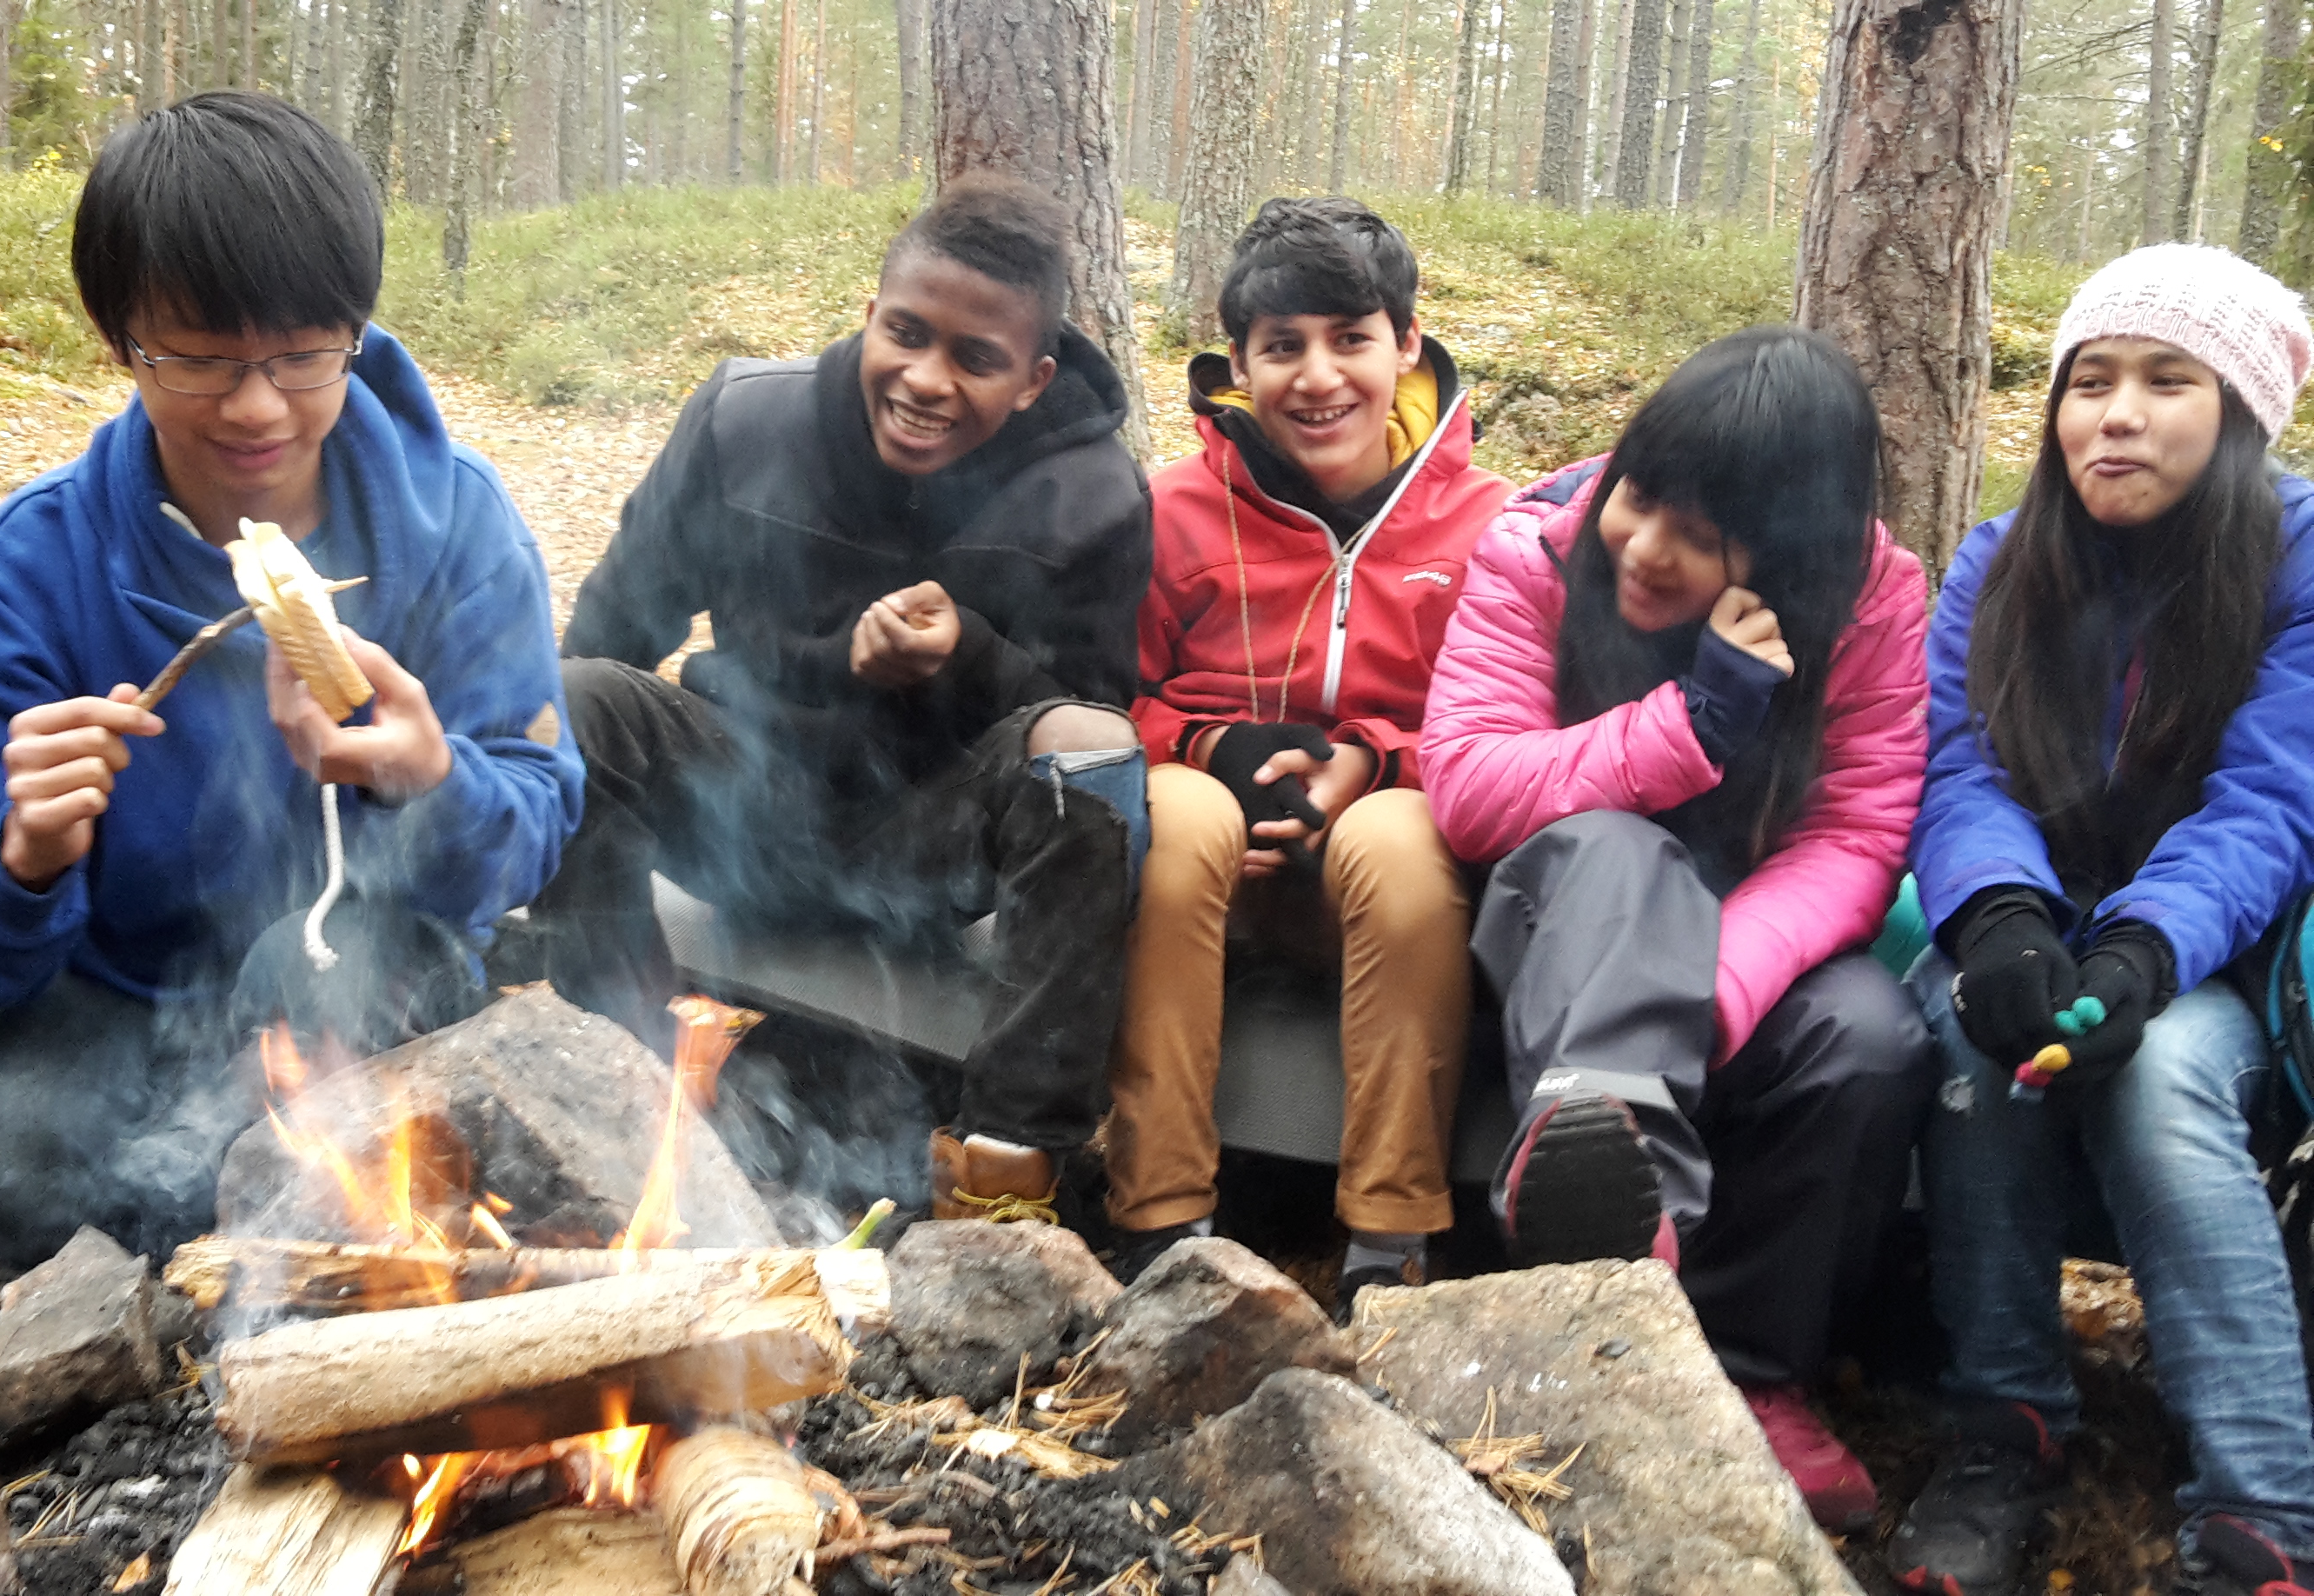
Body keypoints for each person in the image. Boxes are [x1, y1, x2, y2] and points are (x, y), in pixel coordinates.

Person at [0, 93, 581, 1273]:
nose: (257, 406)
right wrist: (22, 857)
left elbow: (533, 830)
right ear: (119, 341)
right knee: (5, 1149)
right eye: (200, 359)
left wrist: (437, 780)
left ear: (354, 329)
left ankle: (225, 1236)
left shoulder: (459, 524)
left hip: (372, 970)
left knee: (322, 997)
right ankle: (221, 1239)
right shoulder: (22, 574)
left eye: (303, 355)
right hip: (121, 991)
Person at [539, 176, 1152, 1226]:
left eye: (976, 358)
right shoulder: (746, 420)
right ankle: (627, 1083)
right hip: (745, 808)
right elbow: (610, 637)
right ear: (869, 314)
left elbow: (1092, 728)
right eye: (907, 333)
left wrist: (968, 658)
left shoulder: (1090, 497)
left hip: (931, 847)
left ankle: (1006, 1167)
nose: (927, 378)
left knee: (1088, 755)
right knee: (576, 703)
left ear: (1036, 379)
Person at [1419, 325, 1932, 1530]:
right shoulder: (1536, 550)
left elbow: (1855, 838)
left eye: (1699, 537)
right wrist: (1694, 723)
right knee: (1621, 851)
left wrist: (1716, 986)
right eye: (1639, 500)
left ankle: (1756, 1375)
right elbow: (1472, 785)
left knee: (1870, 1036)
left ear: (1790, 559)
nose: (1643, 549)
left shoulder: (1871, 604)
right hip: (1557, 931)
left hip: (1750, 957)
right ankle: (1617, 1220)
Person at [1887, 245, 2314, 1596]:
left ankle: (2262, 1514)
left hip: (2228, 959)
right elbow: (1962, 767)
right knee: (1967, 1044)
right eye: (2089, 381)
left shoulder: (2298, 556)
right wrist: (2003, 921)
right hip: (2043, 925)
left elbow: (2274, 800)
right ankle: (2004, 1430)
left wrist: (2143, 947)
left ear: (2238, 412)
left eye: (2163, 382)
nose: (2113, 414)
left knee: (2167, 1071)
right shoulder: (2001, 562)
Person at [1107, 197, 1513, 1293]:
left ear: (1407, 345)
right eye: (1282, 347)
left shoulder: (1488, 527)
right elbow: (1103, 698)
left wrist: (1374, 760)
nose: (1318, 376)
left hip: (1376, 883)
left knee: (1397, 838)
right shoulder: (1172, 512)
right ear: (1238, 362)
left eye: (1352, 339)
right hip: (1213, 868)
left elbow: (1507, 725)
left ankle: (1390, 1238)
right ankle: (1160, 1218)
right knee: (1175, 817)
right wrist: (1207, 744)